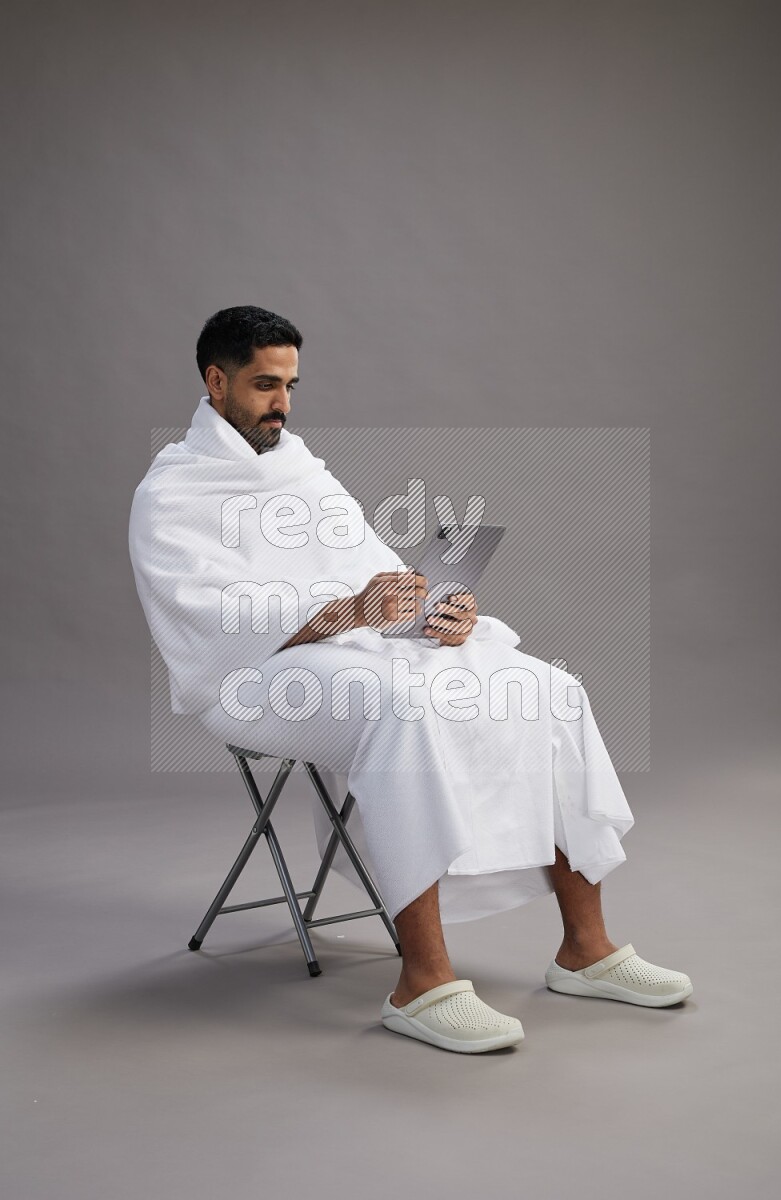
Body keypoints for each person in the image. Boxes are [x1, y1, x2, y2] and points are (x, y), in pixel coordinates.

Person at [128, 305, 693, 1056]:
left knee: (549, 690)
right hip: (252, 677)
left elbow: (371, 569)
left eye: (291, 385)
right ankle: (421, 983)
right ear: (216, 380)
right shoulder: (171, 494)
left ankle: (584, 950)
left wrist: (432, 609)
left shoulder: (302, 471)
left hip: (346, 645)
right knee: (404, 709)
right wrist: (344, 611)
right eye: (266, 385)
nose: (283, 405)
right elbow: (205, 618)